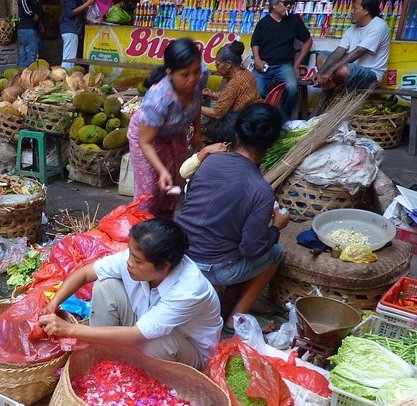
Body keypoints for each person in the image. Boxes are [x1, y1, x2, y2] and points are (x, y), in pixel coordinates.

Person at [38, 218, 222, 369]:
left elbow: (138, 334)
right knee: (105, 286)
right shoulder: (134, 259)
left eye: (138, 261)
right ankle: (104, 356)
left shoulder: (189, 290)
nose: (129, 263)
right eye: (130, 253)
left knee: (154, 344)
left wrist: (69, 329)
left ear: (164, 267)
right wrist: (53, 305)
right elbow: (85, 273)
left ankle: (137, 373)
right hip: (144, 325)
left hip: (186, 349)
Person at [175, 103, 289, 331]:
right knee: (276, 252)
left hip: (180, 252)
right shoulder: (261, 190)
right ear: (272, 144)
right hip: (212, 267)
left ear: (236, 133)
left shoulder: (210, 161)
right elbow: (252, 249)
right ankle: (234, 321)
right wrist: (276, 227)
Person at [128, 38, 207, 218]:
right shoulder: (158, 99)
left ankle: (165, 225)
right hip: (148, 137)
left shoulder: (200, 76)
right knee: (150, 190)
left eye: (195, 71)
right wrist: (161, 170)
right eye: (185, 74)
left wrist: (197, 132)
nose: (193, 79)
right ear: (170, 73)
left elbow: (197, 102)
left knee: (175, 181)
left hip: (176, 132)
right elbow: (144, 141)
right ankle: (140, 234)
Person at [251, 0, 312, 118]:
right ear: (274, 5)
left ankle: (282, 118)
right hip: (264, 65)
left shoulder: (294, 21)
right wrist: (257, 60)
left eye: (291, 3)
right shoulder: (263, 23)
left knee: (292, 87)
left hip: (284, 65)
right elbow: (255, 43)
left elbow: (308, 41)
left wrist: (297, 64)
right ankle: (260, 118)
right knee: (256, 90)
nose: (288, 6)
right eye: (285, 3)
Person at [312, 0, 390, 89]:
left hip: (372, 75)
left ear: (366, 11)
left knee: (342, 70)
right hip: (352, 68)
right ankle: (329, 82)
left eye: (354, 8)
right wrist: (320, 73)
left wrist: (330, 71)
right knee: (321, 55)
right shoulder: (352, 28)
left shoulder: (379, 25)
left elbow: (358, 52)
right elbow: (339, 51)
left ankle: (331, 84)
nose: (351, 12)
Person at [201, 42, 261, 123]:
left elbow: (218, 114)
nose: (217, 68)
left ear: (228, 64)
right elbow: (228, 95)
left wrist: (195, 107)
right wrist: (210, 94)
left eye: (217, 65)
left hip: (246, 121)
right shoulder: (246, 72)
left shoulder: (234, 84)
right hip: (254, 113)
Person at [60, 0, 94, 70]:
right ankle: (63, 78)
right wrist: (87, 4)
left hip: (70, 29)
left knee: (69, 58)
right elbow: (70, 13)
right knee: (69, 60)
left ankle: (63, 77)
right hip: (70, 30)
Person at [18, 0, 43, 68]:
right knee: (32, 54)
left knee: (23, 55)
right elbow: (23, 2)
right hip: (28, 29)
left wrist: (39, 23)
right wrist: (32, 14)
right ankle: (29, 74)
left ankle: (22, 75)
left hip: (27, 29)